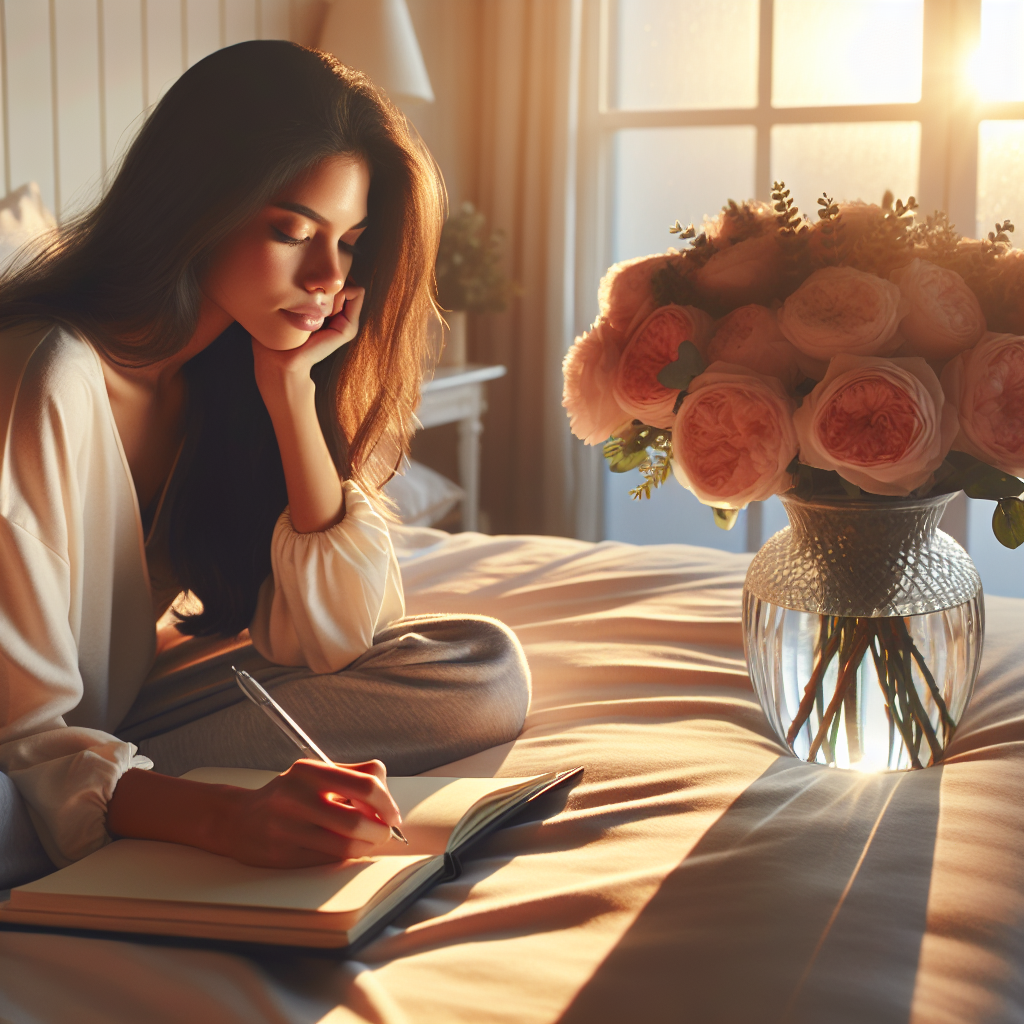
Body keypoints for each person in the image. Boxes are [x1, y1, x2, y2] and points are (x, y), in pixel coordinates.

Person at [0, 41, 530, 881]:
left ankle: (102, 798)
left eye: (349, 242)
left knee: (481, 671)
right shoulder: (45, 374)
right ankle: (92, 806)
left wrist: (289, 391)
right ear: (195, 207)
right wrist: (228, 816)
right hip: (17, 752)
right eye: (292, 231)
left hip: (104, 727)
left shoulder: (222, 380)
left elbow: (337, 640)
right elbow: (23, 730)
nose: (326, 276)